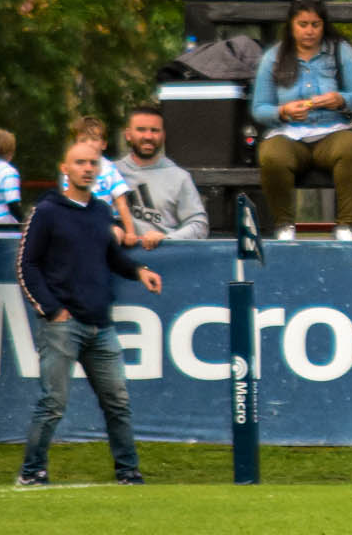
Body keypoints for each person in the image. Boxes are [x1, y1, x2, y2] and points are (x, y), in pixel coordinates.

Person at [14, 137, 163, 487]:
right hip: (64, 325)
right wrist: (53, 310)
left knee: (118, 403)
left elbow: (110, 256)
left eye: (92, 163)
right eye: (79, 163)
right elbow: (26, 266)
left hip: (101, 324)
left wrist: (139, 271)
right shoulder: (47, 211)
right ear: (64, 169)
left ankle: (128, 472)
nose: (87, 169)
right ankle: (31, 471)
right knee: (53, 404)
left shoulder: (100, 211)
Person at [249, 0, 352, 242]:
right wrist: (282, 111)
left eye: (315, 25)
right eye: (302, 25)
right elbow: (259, 108)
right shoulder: (274, 56)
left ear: (323, 25)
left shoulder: (339, 50)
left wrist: (341, 99)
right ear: (291, 26)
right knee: (271, 154)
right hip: (289, 134)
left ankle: (346, 226)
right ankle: (284, 225)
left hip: (332, 131)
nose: (309, 31)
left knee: (351, 146)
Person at [117, 105, 209, 247]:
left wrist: (167, 238)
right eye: (141, 130)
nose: (148, 136)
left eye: (155, 130)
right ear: (128, 134)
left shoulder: (179, 177)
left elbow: (199, 225)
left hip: (164, 258)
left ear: (163, 135)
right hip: (118, 260)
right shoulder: (111, 172)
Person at [65, 115, 139, 244]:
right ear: (76, 144)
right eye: (83, 140)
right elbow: (67, 201)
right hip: (78, 220)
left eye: (94, 139)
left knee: (116, 233)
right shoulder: (72, 169)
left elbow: (121, 203)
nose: (89, 143)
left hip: (106, 222)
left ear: (103, 144)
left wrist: (131, 232)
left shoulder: (110, 170)